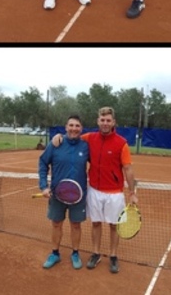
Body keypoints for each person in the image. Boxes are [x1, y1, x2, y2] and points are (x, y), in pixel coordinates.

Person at [53, 106, 138, 274]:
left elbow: (128, 169)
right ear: (98, 121)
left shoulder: (121, 143)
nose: (105, 123)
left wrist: (133, 192)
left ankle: (113, 255)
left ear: (113, 122)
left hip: (114, 193)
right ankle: (96, 253)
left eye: (108, 120)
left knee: (114, 226)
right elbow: (72, 136)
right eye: (102, 120)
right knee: (96, 223)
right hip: (94, 191)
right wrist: (59, 136)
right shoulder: (89, 138)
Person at [38, 115, 90, 270]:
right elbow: (42, 162)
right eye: (71, 125)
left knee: (75, 225)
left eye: (77, 126)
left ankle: (75, 253)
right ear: (66, 127)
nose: (74, 128)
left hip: (78, 195)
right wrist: (43, 186)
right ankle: (55, 253)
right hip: (57, 194)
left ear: (81, 128)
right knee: (56, 224)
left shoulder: (86, 146)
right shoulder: (55, 144)